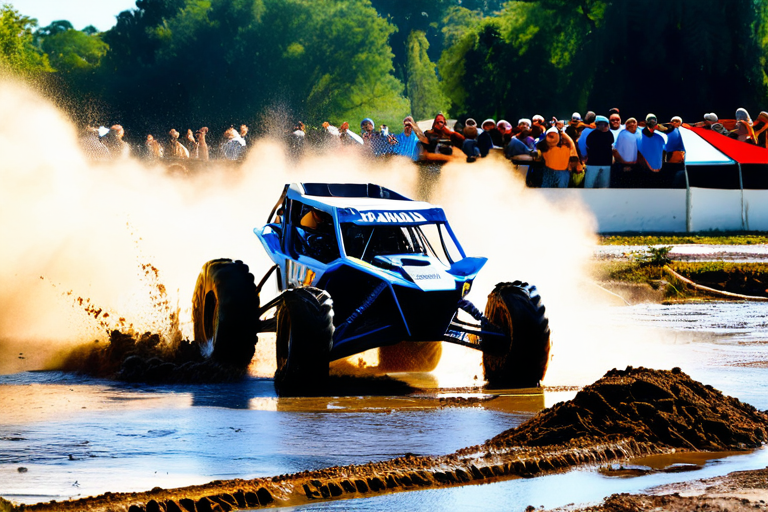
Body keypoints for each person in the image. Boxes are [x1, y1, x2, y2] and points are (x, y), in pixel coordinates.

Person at [535, 122, 576, 188]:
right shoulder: (545, 147)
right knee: (548, 190)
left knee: (561, 192)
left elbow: (571, 143)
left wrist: (561, 132)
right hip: (549, 172)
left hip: (562, 172)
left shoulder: (566, 146)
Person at [584, 115, 615, 188]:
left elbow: (611, 147)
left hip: (606, 164)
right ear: (597, 124)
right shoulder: (591, 134)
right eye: (602, 124)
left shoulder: (610, 134)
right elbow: (587, 146)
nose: (605, 126)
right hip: (592, 164)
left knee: (604, 186)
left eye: (606, 124)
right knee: (589, 185)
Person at [612, 117, 639, 187]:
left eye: (633, 122)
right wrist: (624, 164)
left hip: (636, 166)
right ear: (625, 125)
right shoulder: (623, 134)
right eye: (629, 123)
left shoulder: (639, 134)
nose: (631, 124)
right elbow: (615, 151)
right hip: (623, 165)